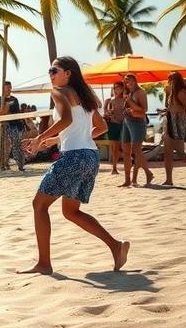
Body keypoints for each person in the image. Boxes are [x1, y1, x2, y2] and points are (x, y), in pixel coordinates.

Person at [19, 56, 130, 275]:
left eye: (54, 70)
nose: (50, 75)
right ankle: (116, 246)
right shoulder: (84, 96)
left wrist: (39, 138)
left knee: (39, 205)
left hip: (74, 158)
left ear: (68, 73)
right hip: (90, 157)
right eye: (49, 71)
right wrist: (58, 140)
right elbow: (100, 126)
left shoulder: (59, 92)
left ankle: (44, 264)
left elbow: (67, 120)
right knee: (71, 212)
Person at [119, 73, 153, 187]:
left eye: (130, 80)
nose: (128, 82)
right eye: (126, 81)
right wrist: (127, 108)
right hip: (127, 122)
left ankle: (148, 173)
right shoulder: (128, 92)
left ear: (135, 80)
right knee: (126, 151)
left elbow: (144, 110)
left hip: (137, 123)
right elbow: (129, 107)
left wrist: (131, 103)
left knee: (136, 150)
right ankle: (128, 180)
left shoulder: (140, 92)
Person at [162, 72, 186, 186]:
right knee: (167, 153)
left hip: (178, 124)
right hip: (170, 123)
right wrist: (166, 111)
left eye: (170, 79)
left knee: (180, 153)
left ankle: (169, 180)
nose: (168, 82)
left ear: (175, 80)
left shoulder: (180, 92)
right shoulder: (172, 92)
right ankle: (169, 180)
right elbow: (172, 107)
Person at [0, 81, 25, 172]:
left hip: (14, 125)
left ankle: (20, 165)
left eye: (10, 87)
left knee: (16, 145)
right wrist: (5, 109)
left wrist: (4, 110)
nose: (9, 89)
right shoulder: (0, 99)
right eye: (7, 87)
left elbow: (15, 113)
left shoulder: (14, 99)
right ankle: (3, 164)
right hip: (4, 125)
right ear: (3, 88)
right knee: (5, 145)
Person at [103, 81, 125, 175]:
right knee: (114, 147)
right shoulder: (109, 100)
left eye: (119, 87)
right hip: (112, 125)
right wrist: (110, 115)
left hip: (123, 124)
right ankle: (114, 168)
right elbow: (105, 112)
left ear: (123, 89)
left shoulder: (125, 99)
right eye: (115, 87)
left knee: (122, 146)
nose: (117, 90)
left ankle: (119, 166)